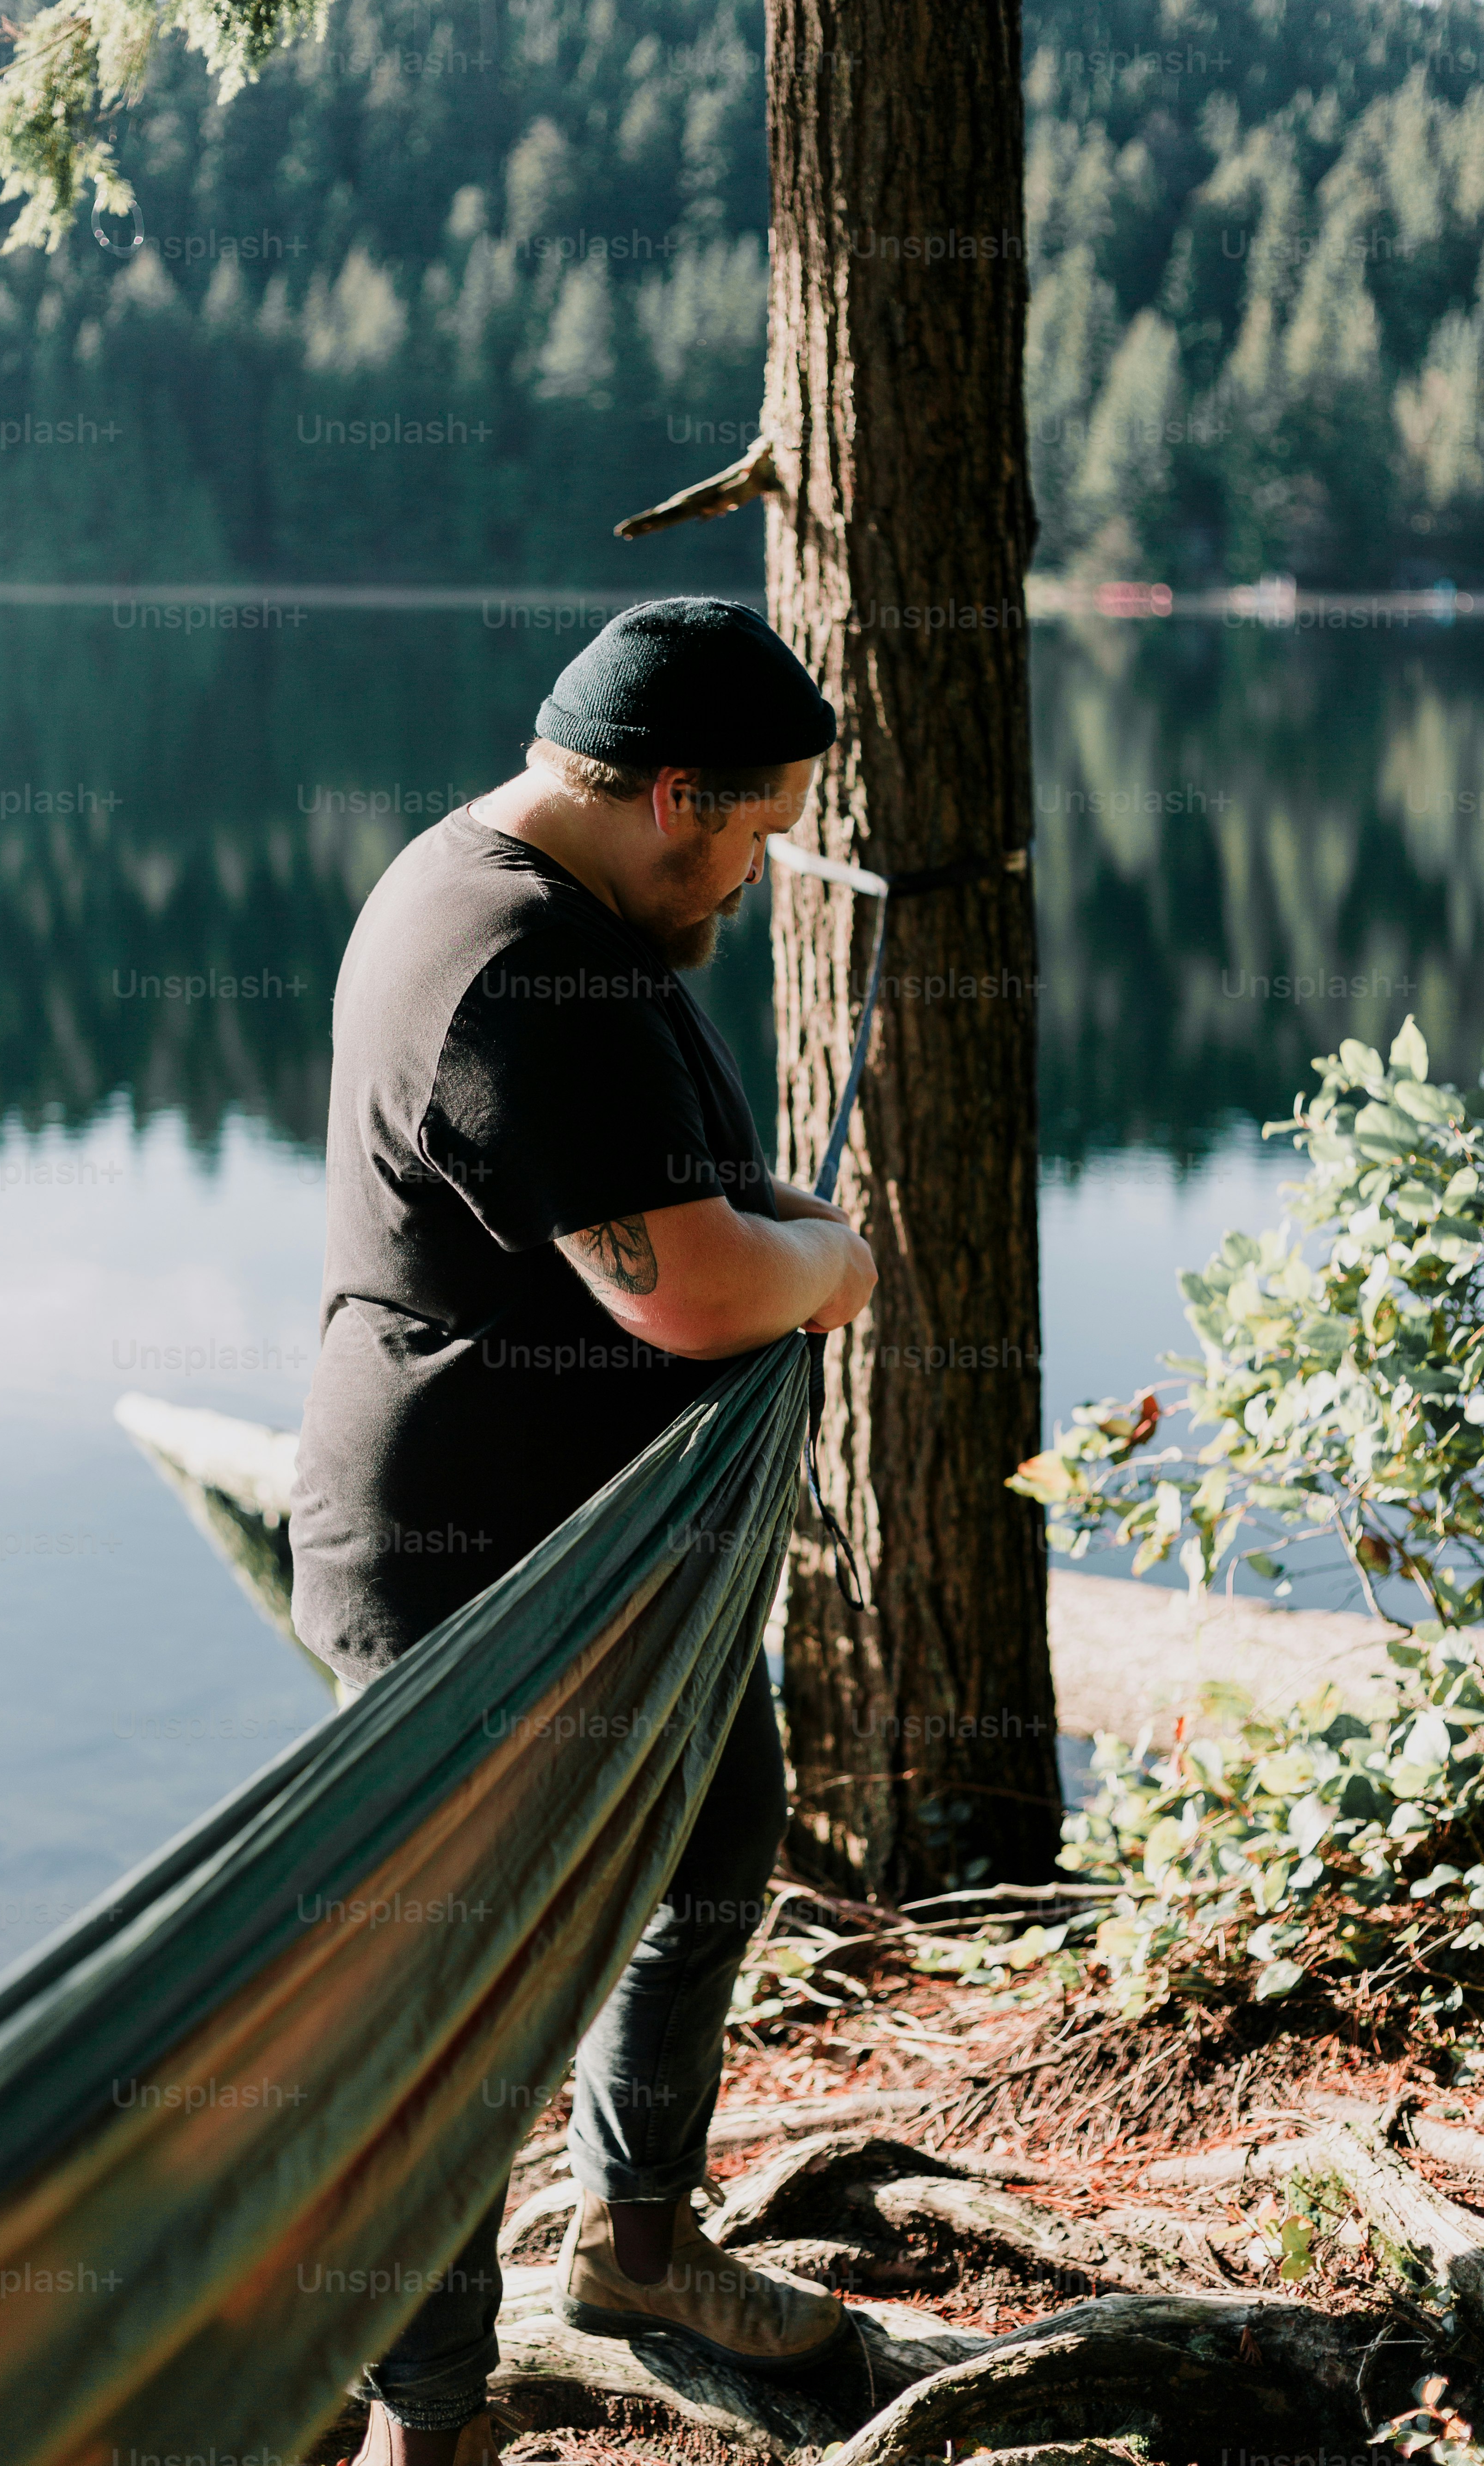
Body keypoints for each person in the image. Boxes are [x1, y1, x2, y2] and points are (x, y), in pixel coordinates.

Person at [289, 598, 878, 2466]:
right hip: (476, 1570)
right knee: (456, 2002)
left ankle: (637, 2246)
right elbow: (692, 1291)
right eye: (755, 832)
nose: (751, 875)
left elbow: (655, 1191)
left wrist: (758, 1226)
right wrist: (833, 1263)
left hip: (608, 1558)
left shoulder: (550, 905)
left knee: (711, 1848)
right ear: (670, 796)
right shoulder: (512, 960)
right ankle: (433, 2415)